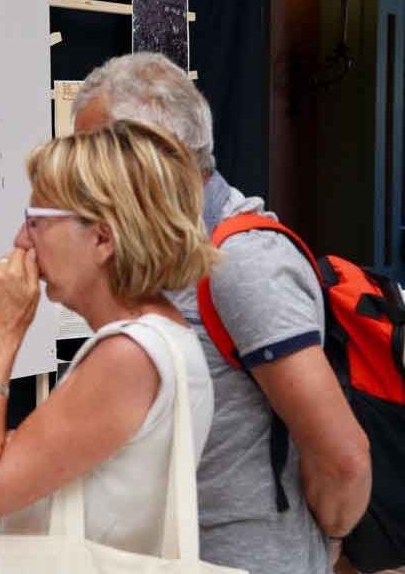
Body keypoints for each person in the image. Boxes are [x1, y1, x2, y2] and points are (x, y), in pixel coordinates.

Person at [71, 52, 371, 573]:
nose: (80, 176)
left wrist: (319, 547)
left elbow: (344, 458)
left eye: (94, 155)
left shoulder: (242, 262)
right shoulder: (153, 253)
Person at [0, 119, 218, 556]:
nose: (21, 239)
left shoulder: (126, 356)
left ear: (102, 238)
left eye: (36, 220)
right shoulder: (164, 336)